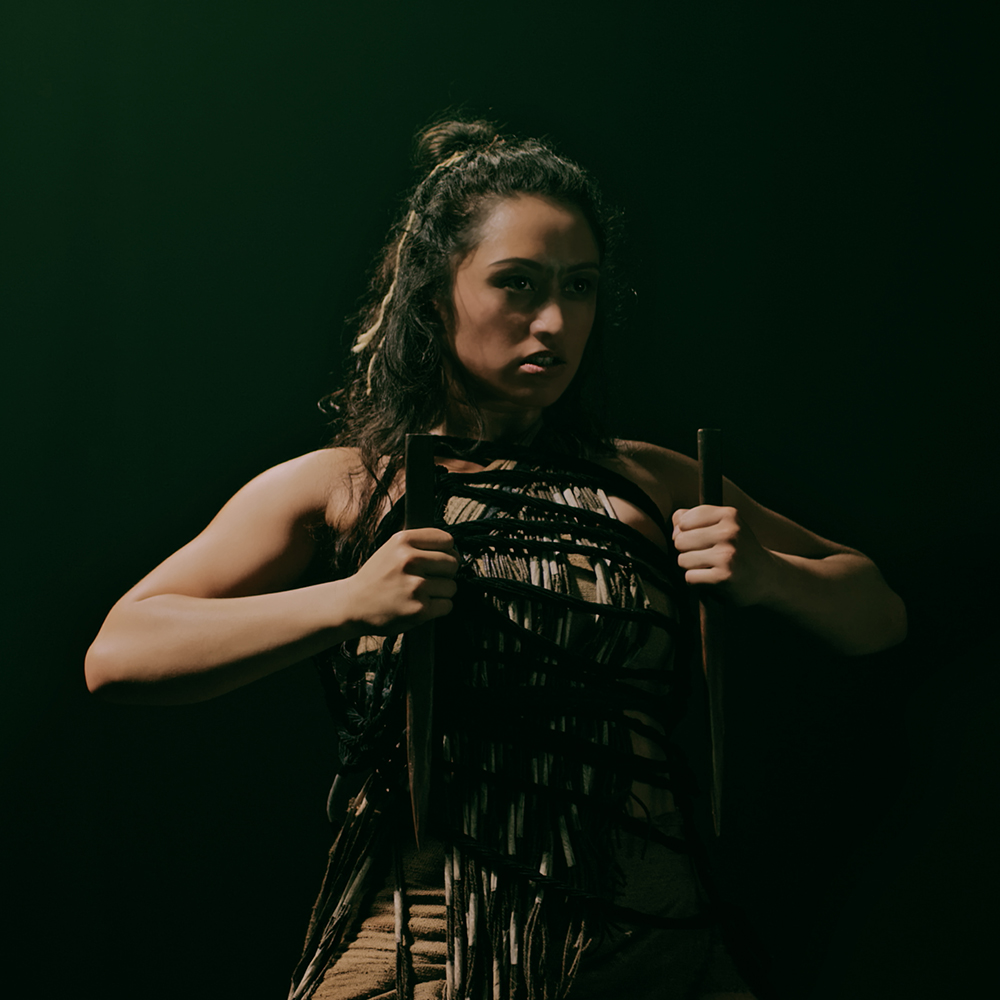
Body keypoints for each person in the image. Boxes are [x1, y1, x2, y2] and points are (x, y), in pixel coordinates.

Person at [85, 119, 906, 1000]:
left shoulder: (648, 479)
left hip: (656, 946)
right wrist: (346, 602)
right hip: (432, 946)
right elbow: (122, 652)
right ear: (434, 299)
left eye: (580, 287)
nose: (554, 321)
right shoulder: (344, 486)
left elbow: (877, 611)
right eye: (516, 285)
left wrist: (772, 578)